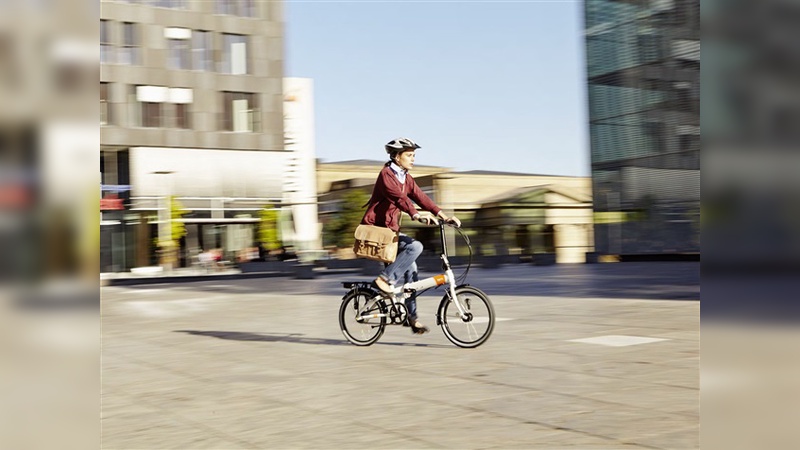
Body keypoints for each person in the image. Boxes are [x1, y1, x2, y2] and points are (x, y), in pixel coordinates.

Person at [360, 137, 461, 334]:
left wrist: (444, 216)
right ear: (397, 157)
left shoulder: (405, 178)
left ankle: (412, 318)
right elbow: (399, 198)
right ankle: (384, 280)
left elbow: (421, 197)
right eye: (409, 155)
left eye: (414, 155)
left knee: (412, 272)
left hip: (391, 232)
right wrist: (415, 215)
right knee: (416, 247)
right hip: (378, 232)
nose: (413, 158)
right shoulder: (386, 175)